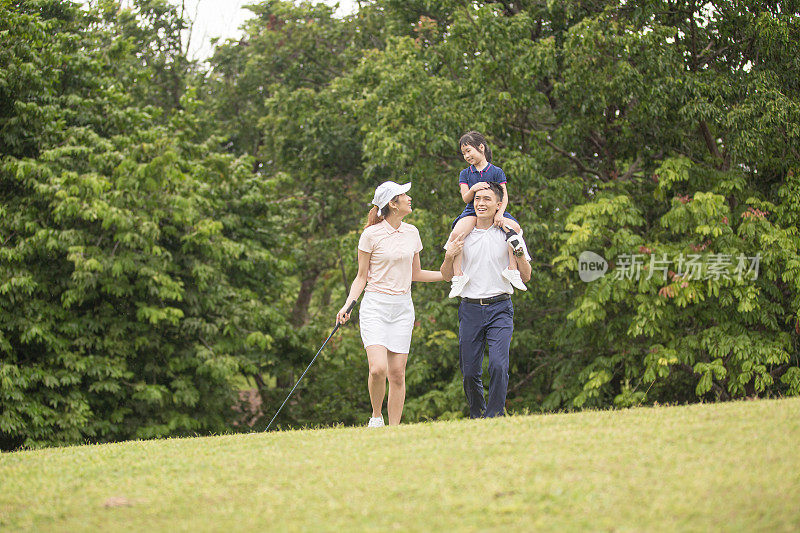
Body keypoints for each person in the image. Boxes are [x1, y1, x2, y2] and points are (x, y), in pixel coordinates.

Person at [337, 181, 444, 428]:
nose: (409, 198)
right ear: (392, 204)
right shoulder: (370, 235)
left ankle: (394, 430)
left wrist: (446, 275)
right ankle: (376, 416)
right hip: (375, 306)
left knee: (397, 373)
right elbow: (361, 276)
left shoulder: (412, 233)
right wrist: (347, 305)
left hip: (402, 308)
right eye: (404, 195)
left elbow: (415, 273)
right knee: (377, 369)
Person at [440, 182, 532, 418]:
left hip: (500, 307)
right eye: (477, 199)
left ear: (499, 204)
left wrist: (519, 251)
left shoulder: (509, 232)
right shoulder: (462, 233)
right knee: (470, 372)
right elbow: (446, 275)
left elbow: (526, 275)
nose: (480, 203)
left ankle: (494, 416)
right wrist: (449, 256)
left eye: (487, 199)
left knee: (499, 366)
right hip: (470, 308)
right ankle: (477, 415)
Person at [446, 131, 527, 298]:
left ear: (481, 147)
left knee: (514, 229)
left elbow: (504, 196)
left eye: (468, 151)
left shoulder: (496, 171)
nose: (466, 156)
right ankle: (458, 276)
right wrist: (474, 189)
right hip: (471, 210)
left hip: (496, 210)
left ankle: (512, 269)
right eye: (463, 153)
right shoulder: (465, 174)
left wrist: (500, 214)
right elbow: (465, 198)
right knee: (457, 233)